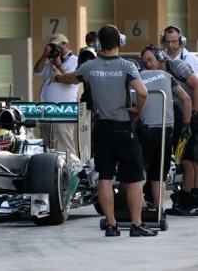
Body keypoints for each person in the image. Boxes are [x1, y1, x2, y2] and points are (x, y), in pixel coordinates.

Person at [52, 25, 158, 236]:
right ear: (120, 42)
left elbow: (69, 78)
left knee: (105, 177)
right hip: (123, 128)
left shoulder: (90, 67)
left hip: (101, 129)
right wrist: (136, 109)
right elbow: (142, 92)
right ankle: (136, 225)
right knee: (134, 178)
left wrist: (56, 76)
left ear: (99, 43)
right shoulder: (128, 66)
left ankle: (111, 224)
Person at [141, 44, 198, 213]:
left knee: (188, 160)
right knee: (186, 159)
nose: (148, 65)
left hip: (190, 116)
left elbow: (194, 88)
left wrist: (191, 119)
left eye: (150, 60)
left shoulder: (177, 66)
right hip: (178, 117)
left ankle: (189, 199)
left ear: (159, 56)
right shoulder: (159, 74)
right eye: (145, 63)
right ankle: (189, 198)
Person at [33, 33, 78, 153]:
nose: (55, 49)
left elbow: (71, 81)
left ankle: (69, 169)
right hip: (46, 110)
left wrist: (58, 64)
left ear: (66, 45)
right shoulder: (50, 61)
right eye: (52, 46)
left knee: (64, 144)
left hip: (63, 111)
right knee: (46, 145)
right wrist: (44, 56)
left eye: (57, 46)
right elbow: (37, 71)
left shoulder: (75, 61)